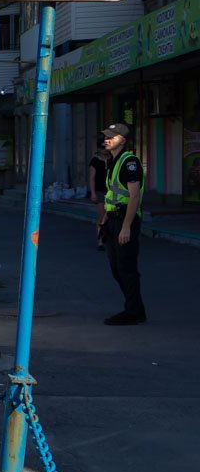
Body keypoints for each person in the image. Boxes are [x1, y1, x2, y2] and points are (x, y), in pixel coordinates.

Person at [99, 122, 147, 325]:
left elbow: (134, 197)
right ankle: (135, 309)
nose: (106, 139)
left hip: (125, 221)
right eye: (106, 136)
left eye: (112, 136)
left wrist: (126, 226)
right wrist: (104, 222)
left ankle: (134, 312)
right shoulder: (113, 162)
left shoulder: (130, 163)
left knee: (126, 268)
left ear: (123, 140)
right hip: (112, 221)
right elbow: (112, 196)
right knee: (116, 268)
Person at [88, 133, 111, 251]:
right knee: (101, 217)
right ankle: (100, 240)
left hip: (112, 192)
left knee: (111, 216)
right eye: (102, 148)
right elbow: (92, 178)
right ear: (98, 148)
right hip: (100, 191)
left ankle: (110, 237)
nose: (105, 150)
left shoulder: (112, 158)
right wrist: (93, 193)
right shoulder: (95, 161)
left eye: (106, 147)